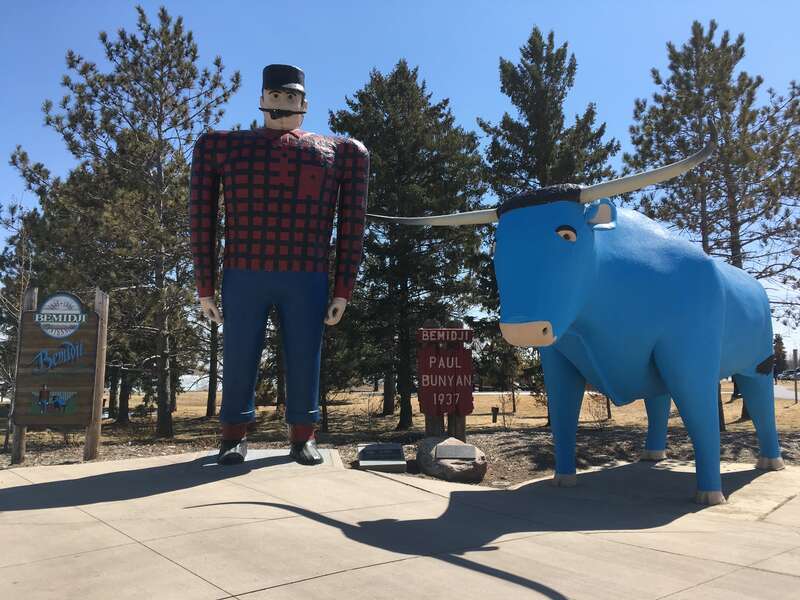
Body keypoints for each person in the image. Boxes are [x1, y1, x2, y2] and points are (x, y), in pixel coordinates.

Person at [189, 64, 369, 465]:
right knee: (239, 352)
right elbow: (201, 217)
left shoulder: (340, 153)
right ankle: (233, 435)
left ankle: (303, 434)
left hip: (305, 273)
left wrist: (343, 289)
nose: (282, 104)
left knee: (306, 353)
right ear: (261, 100)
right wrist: (205, 286)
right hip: (244, 271)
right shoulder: (221, 148)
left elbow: (352, 224)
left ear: (304, 104)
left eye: (290, 97)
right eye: (275, 96)